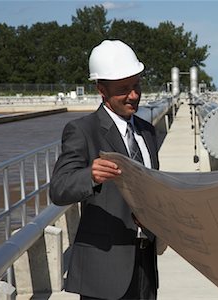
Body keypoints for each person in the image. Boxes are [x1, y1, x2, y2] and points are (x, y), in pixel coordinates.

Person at [50, 40, 159, 300]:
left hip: (144, 262)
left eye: (136, 86)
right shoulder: (82, 131)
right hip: (104, 269)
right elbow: (59, 187)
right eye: (123, 89)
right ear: (101, 90)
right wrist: (90, 175)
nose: (133, 95)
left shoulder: (147, 131)